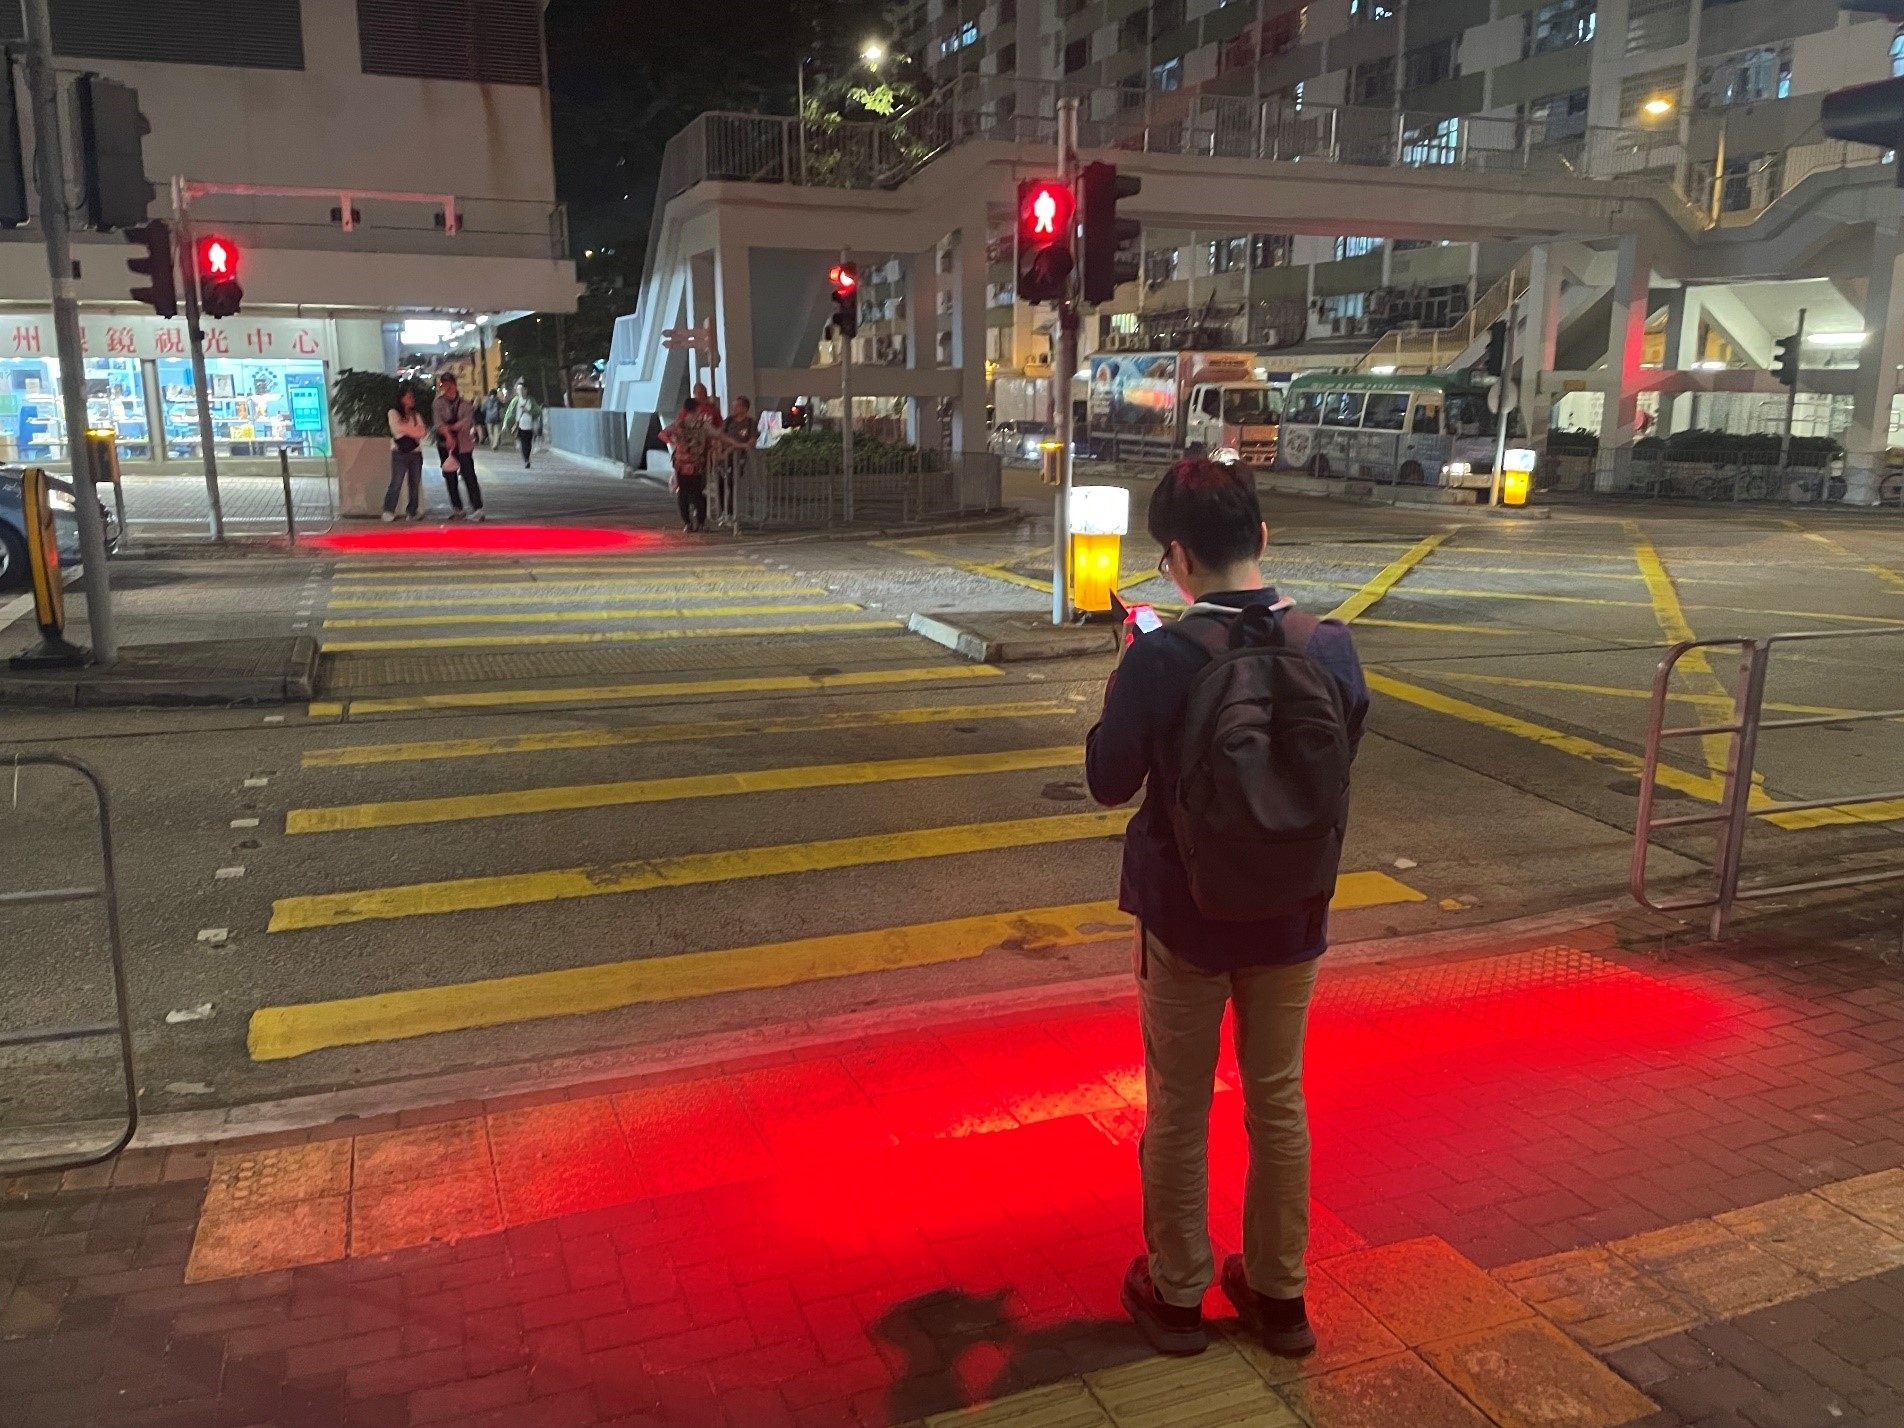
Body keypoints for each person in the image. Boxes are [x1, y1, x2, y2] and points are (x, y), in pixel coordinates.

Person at [1085, 457, 1368, 1360]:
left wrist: (1130, 675)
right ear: (1264, 541)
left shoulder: (1164, 656)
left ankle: (1178, 1295)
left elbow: (1106, 781)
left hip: (1185, 917)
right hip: (1292, 914)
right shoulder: (1329, 644)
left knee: (1179, 1103)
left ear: (1176, 558)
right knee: (1277, 1096)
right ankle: (1280, 1296)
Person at [431, 373, 485, 521]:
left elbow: (466, 422)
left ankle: (477, 508)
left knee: (469, 475)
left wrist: (451, 427)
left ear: (455, 384)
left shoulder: (465, 404)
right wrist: (448, 435)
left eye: (450, 384)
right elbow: (438, 423)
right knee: (450, 476)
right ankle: (457, 508)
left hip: (463, 445)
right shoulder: (438, 403)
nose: (448, 388)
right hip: (445, 446)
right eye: (444, 385)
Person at [661, 397, 715, 532]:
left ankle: (688, 523)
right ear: (697, 409)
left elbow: (662, 434)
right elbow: (717, 434)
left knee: (683, 494)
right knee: (697, 494)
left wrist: (673, 443)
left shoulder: (679, 424)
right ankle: (700, 522)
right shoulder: (702, 425)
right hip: (696, 465)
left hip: (681, 464)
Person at [380, 384, 427, 522]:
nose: (412, 399)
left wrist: (406, 430)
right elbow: (396, 429)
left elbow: (422, 432)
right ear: (401, 399)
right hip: (399, 453)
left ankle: (412, 511)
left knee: (414, 483)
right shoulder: (393, 413)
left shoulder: (416, 414)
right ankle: (388, 510)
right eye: (409, 396)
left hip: (416, 453)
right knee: (396, 482)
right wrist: (413, 431)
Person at [715, 395, 758, 528]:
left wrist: (734, 447)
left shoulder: (750, 423)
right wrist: (725, 449)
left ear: (744, 408)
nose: (733, 408)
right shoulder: (728, 421)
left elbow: (751, 442)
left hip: (739, 459)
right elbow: (720, 436)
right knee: (721, 485)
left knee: (733, 486)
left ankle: (732, 513)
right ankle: (723, 512)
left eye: (736, 406)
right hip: (724, 460)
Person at [503, 380, 540, 468]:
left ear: (526, 390)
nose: (520, 391)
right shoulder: (515, 400)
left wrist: (528, 411)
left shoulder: (531, 400)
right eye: (518, 389)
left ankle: (527, 457)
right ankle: (526, 460)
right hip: (519, 425)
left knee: (528, 443)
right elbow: (509, 412)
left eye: (522, 389)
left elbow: (538, 411)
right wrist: (505, 424)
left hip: (529, 425)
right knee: (523, 443)